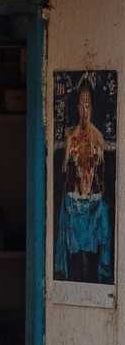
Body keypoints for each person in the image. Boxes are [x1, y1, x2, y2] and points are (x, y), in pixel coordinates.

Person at [57, 79, 113, 283]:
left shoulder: (98, 137)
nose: (84, 110)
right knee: (74, 261)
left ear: (93, 108)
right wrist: (68, 151)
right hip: (74, 202)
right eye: (81, 104)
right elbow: (64, 171)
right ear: (76, 107)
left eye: (87, 105)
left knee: (92, 258)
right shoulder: (70, 135)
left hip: (92, 203)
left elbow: (102, 175)